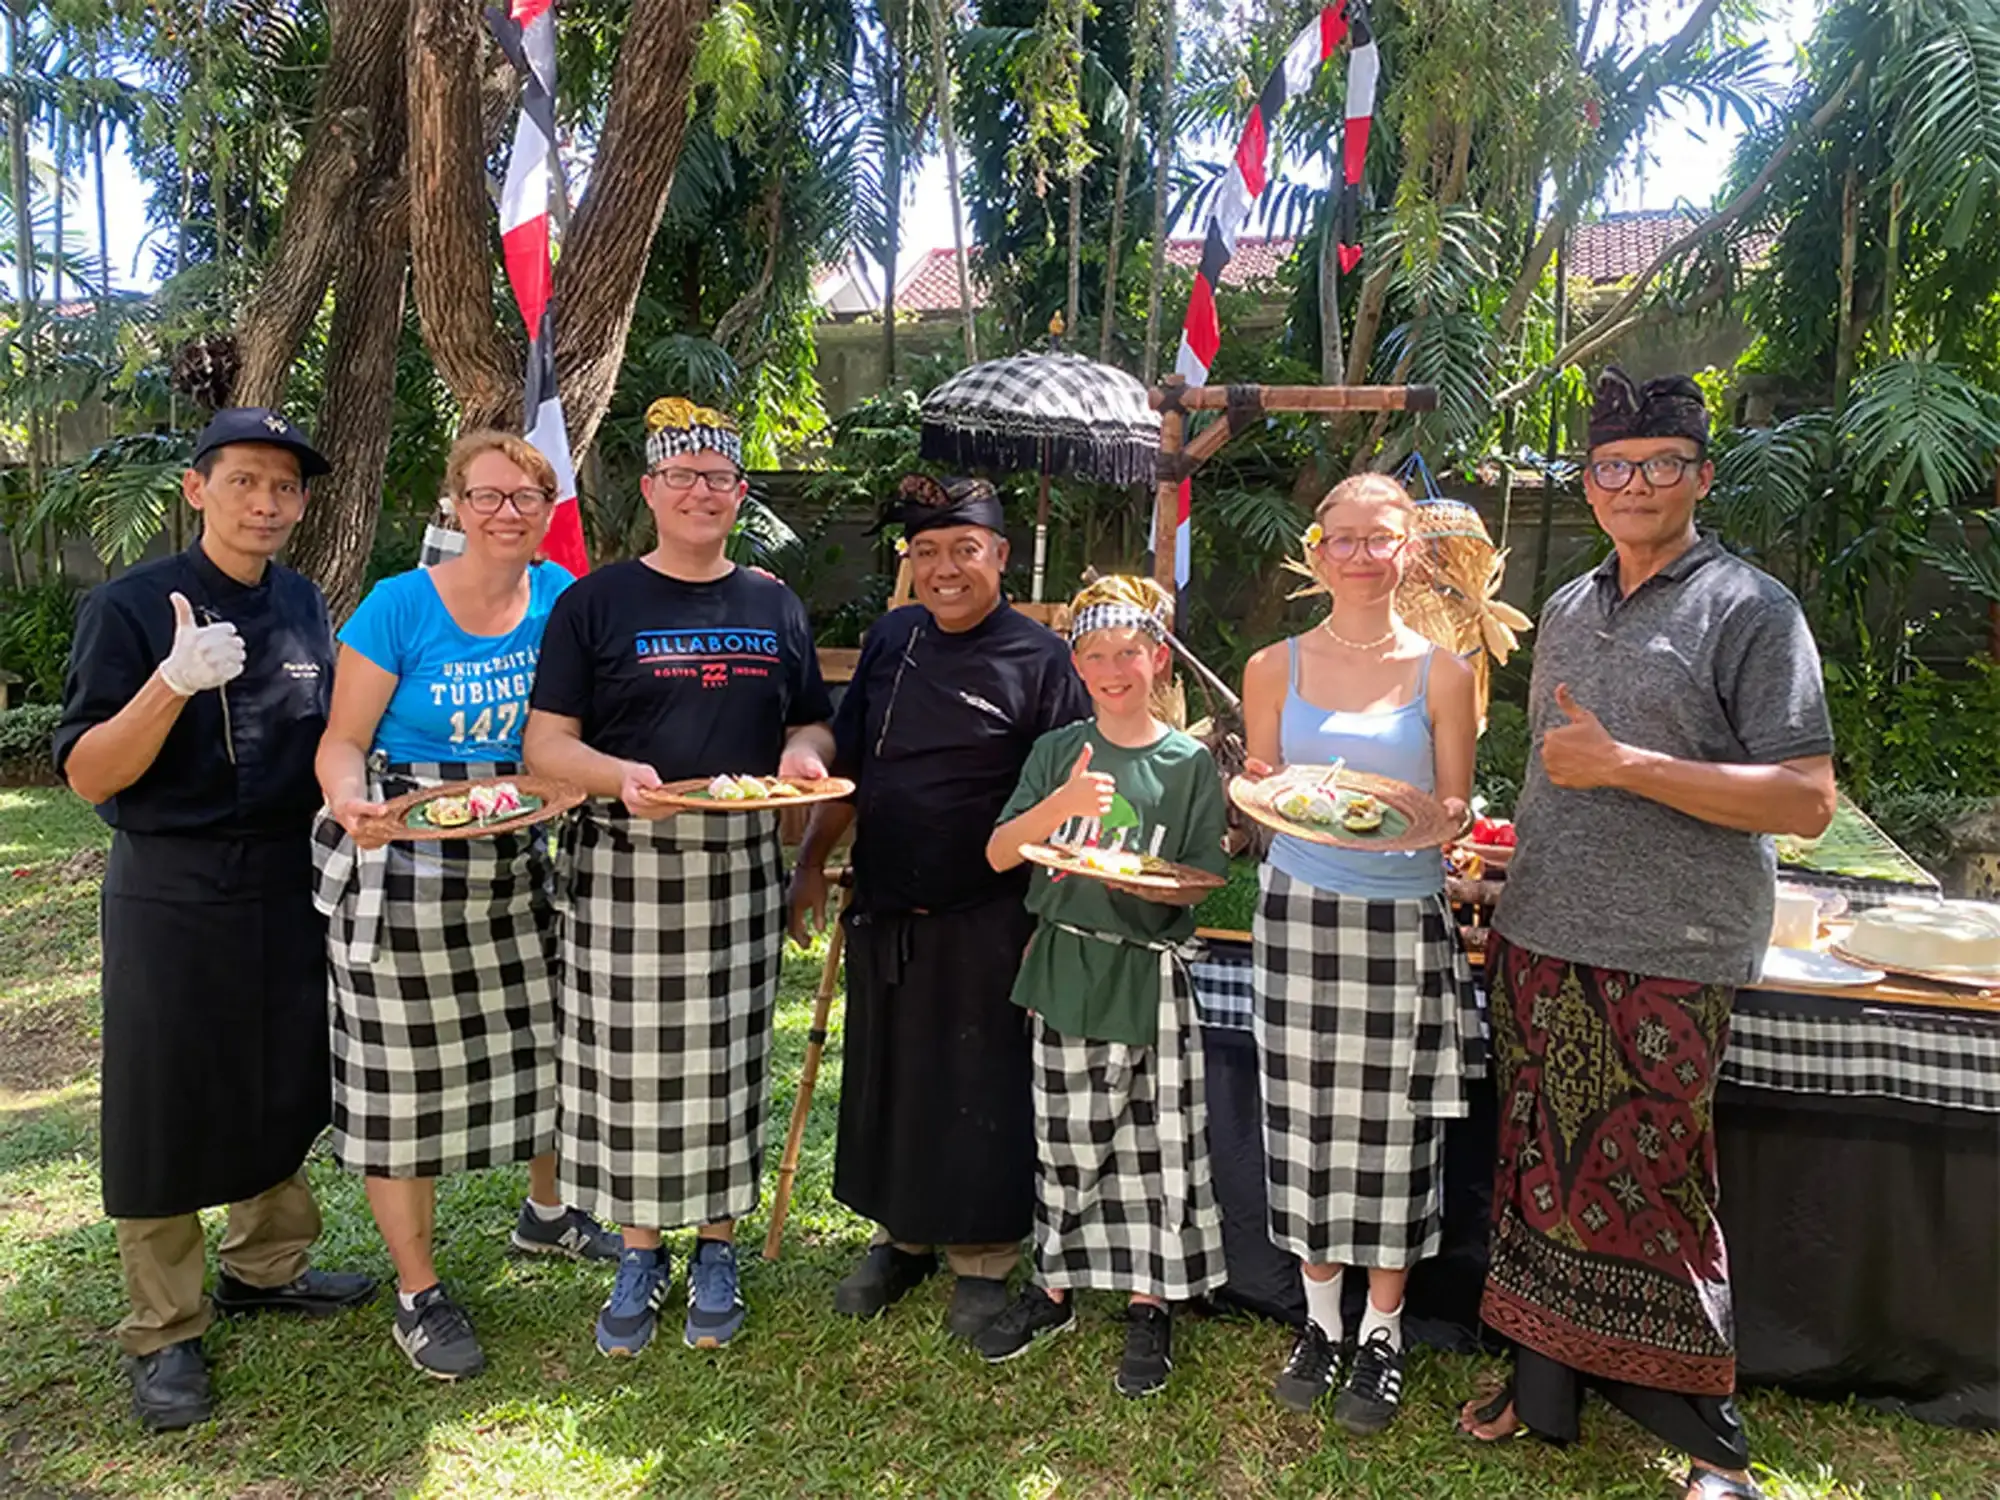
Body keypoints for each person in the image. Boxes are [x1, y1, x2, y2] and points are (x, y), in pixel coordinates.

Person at [1461, 369, 1837, 1500]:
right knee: (1536, 1167)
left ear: (1699, 477)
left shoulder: (1750, 609)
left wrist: (1625, 765)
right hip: (1540, 931)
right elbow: (1553, 779)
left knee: (1649, 1182)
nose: (1633, 484)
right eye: (1612, 466)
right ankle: (1541, 1386)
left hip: (1671, 945)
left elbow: (1804, 799)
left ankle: (1704, 1439)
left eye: (1659, 464)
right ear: (1586, 483)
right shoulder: (1570, 606)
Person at [52, 408, 377, 1432]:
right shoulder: (130, 606)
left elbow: (331, 736)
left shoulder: (305, 604)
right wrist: (167, 683)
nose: (267, 502)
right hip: (173, 884)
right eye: (244, 481)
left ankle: (265, 1268)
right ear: (198, 490)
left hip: (288, 876)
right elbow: (85, 771)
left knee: (282, 1073)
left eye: (284, 486)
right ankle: (164, 1327)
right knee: (167, 1093)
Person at [524, 397, 834, 1357]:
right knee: (626, 1069)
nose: (701, 493)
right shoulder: (595, 602)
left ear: (740, 495)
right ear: (652, 491)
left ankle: (717, 1247)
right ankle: (638, 1248)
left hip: (738, 860)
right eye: (681, 478)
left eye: (719, 480)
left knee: (730, 1058)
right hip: (623, 856)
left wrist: (807, 761)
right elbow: (544, 745)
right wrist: (619, 780)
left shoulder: (773, 603)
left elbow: (808, 723)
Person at [312, 430, 620, 1383]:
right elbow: (342, 739)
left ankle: (548, 1213)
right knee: (401, 1078)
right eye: (486, 498)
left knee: (551, 1044)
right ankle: (418, 1292)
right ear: (455, 505)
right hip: (405, 850)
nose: (507, 514)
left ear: (545, 511)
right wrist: (348, 804)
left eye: (526, 499)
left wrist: (569, 781)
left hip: (523, 847)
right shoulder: (399, 605)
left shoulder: (564, 599)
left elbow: (577, 724)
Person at [789, 475, 1089, 1340]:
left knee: (979, 1082)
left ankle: (985, 1254)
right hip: (886, 899)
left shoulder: (1042, 660)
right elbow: (852, 760)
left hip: (992, 910)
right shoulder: (892, 637)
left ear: (1000, 554)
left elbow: (1066, 795)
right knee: (893, 1078)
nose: (944, 568)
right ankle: (901, 1237)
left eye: (965, 549)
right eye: (926, 551)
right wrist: (814, 858)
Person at [1237, 472, 1482, 1435]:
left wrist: (1439, 818)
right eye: (1341, 538)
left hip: (1399, 924)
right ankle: (1321, 1321)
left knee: (1393, 1130)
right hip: (1298, 914)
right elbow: (1267, 799)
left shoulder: (1444, 671)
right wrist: (1259, 789)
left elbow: (1452, 814)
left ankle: (1381, 1333)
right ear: (1316, 550)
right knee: (1303, 1119)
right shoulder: (1271, 666)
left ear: (1408, 550)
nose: (1359, 556)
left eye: (1379, 539)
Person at [978, 575, 1230, 1396]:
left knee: (1157, 1144)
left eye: (1131, 652)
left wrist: (1149, 887)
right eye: (1097, 655)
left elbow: (1198, 879)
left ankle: (1150, 1303)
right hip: (1066, 966)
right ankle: (1052, 1287)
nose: (1115, 668)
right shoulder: (1059, 751)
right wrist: (1062, 805)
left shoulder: (1189, 762)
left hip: (1149, 971)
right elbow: (1000, 854)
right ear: (1077, 665)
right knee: (1066, 1137)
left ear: (1159, 658)